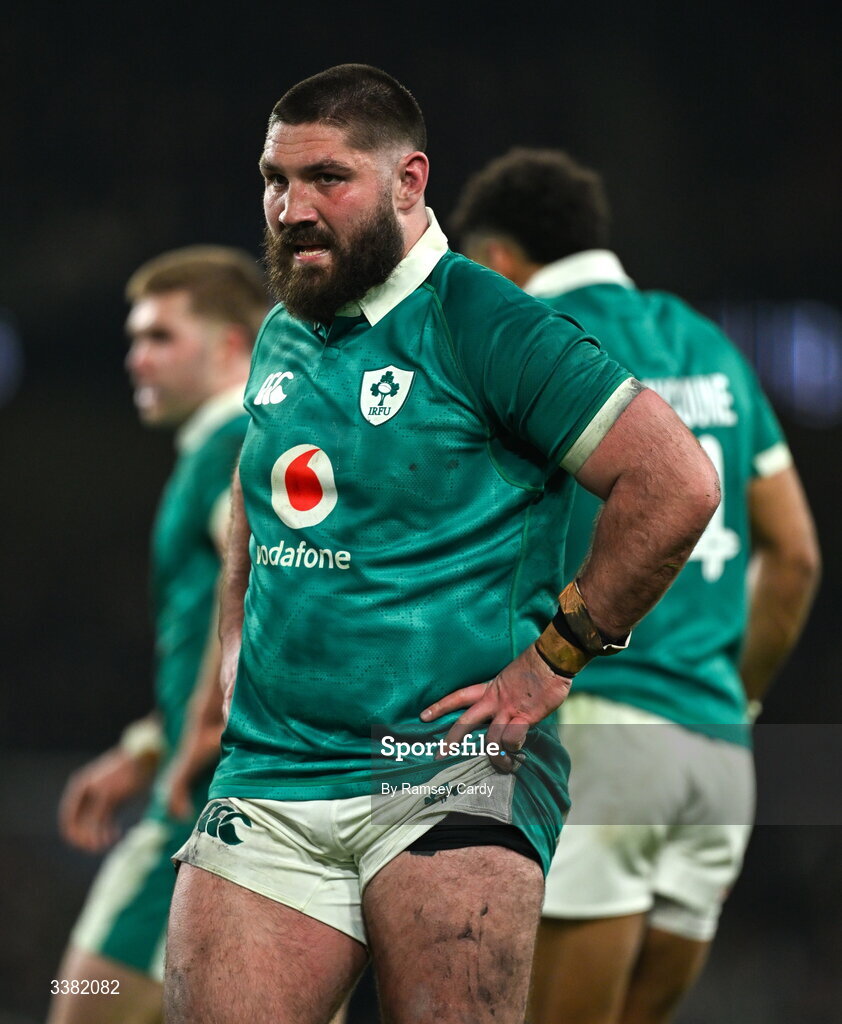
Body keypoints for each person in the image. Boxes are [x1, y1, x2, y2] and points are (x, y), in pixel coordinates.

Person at [164, 65, 721, 1024]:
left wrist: (552, 665)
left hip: (450, 771)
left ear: (409, 183)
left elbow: (676, 484)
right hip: (273, 773)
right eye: (274, 179)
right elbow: (254, 495)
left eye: (326, 179)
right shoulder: (285, 328)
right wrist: (231, 656)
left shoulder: (486, 323)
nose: (291, 209)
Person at [451, 147, 821, 1024]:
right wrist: (737, 697)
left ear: (499, 261)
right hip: (719, 759)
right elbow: (795, 556)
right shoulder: (709, 345)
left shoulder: (533, 344)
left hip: (600, 733)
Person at [48, 246, 268, 1024]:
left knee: (84, 998)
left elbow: (273, 584)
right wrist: (149, 742)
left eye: (161, 337)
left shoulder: (236, 449)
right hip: (249, 800)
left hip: (204, 811)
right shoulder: (241, 444)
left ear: (232, 345)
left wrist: (206, 725)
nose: (135, 357)